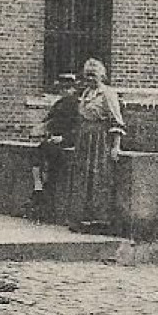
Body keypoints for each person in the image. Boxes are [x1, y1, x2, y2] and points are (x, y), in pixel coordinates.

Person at [66, 57, 125, 232]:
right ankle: (80, 218)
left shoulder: (107, 94)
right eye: (87, 76)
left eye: (93, 75)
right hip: (84, 139)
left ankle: (98, 220)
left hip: (99, 140)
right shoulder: (85, 93)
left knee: (98, 176)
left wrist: (116, 146)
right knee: (81, 176)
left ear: (102, 75)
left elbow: (117, 121)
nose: (90, 79)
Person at [29, 73, 81, 206]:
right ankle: (38, 188)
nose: (64, 91)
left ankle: (46, 193)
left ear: (74, 89)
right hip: (53, 139)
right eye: (62, 89)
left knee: (53, 157)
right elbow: (48, 121)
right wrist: (41, 129)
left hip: (67, 141)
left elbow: (78, 128)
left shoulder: (79, 106)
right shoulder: (58, 104)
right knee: (39, 151)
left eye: (68, 88)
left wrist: (63, 138)